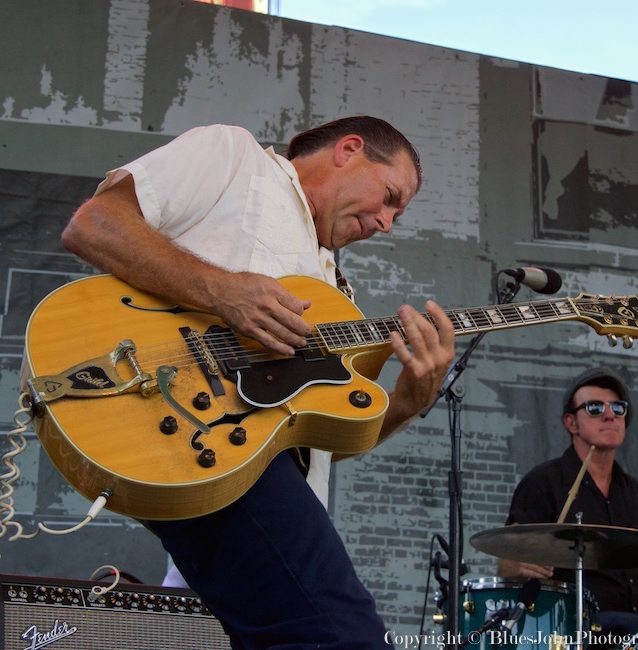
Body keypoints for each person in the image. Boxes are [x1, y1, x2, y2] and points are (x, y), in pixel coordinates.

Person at [61, 116, 456, 648]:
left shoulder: (334, 285)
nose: (387, 222)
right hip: (189, 431)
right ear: (350, 150)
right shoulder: (236, 156)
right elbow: (95, 223)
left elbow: (309, 440)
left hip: (241, 463)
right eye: (389, 197)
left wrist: (408, 400)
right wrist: (224, 292)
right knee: (339, 634)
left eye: (396, 215)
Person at [496, 366, 638, 642]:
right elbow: (507, 562)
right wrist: (519, 568)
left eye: (618, 407)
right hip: (569, 631)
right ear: (571, 423)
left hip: (632, 633)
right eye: (594, 407)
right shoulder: (544, 482)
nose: (609, 414)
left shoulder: (636, 494)